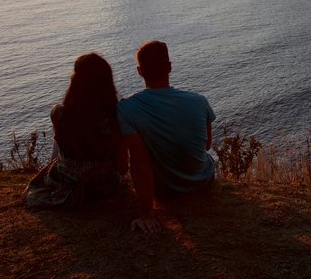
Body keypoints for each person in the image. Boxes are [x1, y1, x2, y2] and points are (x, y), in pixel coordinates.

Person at [118, 40, 216, 233]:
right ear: (169, 67)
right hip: (203, 181)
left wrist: (145, 213)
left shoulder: (126, 109)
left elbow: (138, 162)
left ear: (140, 71)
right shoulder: (199, 101)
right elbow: (206, 145)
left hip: (165, 191)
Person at [23, 53, 125, 209]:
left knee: (61, 140)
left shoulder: (59, 113)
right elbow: (123, 166)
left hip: (65, 186)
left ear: (75, 81)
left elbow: (58, 151)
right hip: (104, 188)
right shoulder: (117, 115)